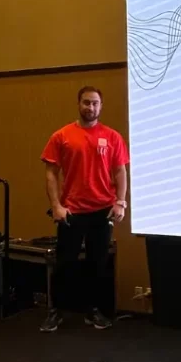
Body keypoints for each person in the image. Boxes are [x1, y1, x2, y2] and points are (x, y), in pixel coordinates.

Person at [40, 86, 129, 331]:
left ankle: (93, 311)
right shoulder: (62, 136)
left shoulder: (112, 137)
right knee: (64, 263)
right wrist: (56, 206)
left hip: (103, 210)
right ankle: (56, 311)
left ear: (101, 106)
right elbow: (51, 173)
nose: (91, 107)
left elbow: (120, 171)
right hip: (72, 211)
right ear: (79, 104)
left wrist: (120, 202)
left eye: (95, 103)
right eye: (86, 102)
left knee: (97, 264)